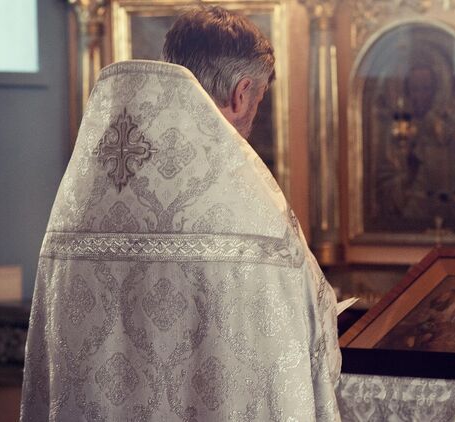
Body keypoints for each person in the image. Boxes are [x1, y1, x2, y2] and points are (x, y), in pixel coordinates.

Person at [20, 6, 341, 421]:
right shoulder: (254, 207)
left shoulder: (83, 190)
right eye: (258, 102)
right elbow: (311, 339)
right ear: (242, 93)